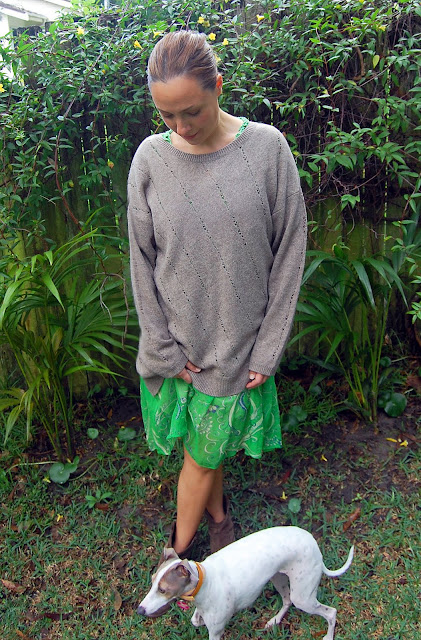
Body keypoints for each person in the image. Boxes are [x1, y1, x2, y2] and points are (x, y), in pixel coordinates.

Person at [127, 30, 307, 562]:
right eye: (167, 115)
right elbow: (141, 260)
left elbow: (290, 252)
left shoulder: (268, 150)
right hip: (178, 344)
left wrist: (268, 346)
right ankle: (221, 521)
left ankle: (175, 560)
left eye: (192, 111)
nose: (181, 126)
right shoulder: (150, 159)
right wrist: (162, 348)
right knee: (202, 448)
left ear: (219, 87)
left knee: (202, 456)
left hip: (236, 347)